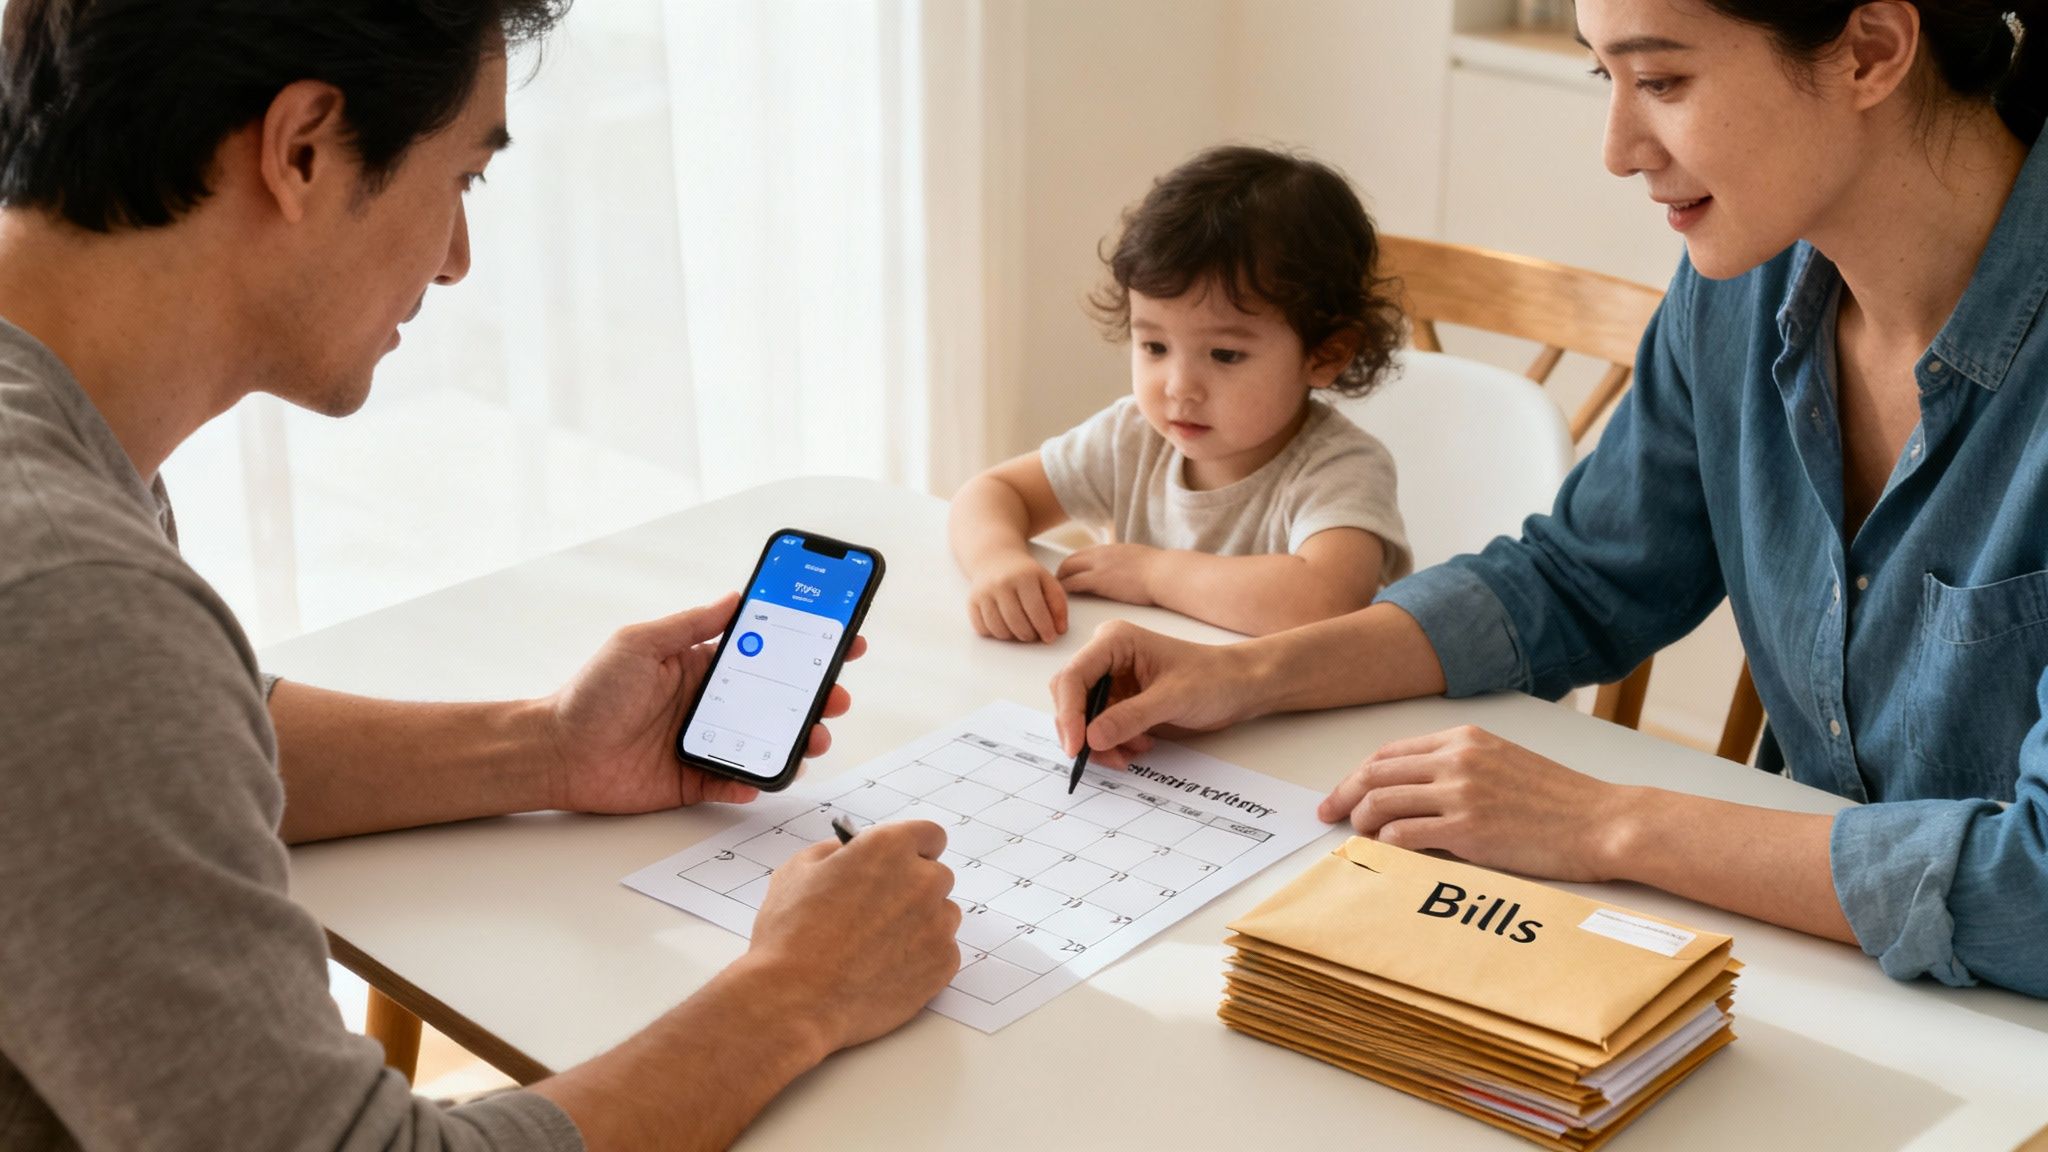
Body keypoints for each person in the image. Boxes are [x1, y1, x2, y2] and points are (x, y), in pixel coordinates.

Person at [0, 3, 958, 1150]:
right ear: (301, 148)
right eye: (462, 177)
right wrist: (799, 992)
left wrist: (549, 745)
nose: (456, 260)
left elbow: (137, 759)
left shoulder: (59, 462)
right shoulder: (67, 594)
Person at [1050, 0, 2048, 999]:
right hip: (1835, 980)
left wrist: (1601, 823)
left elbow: (2035, 888)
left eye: (1660, 81)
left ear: (1870, 52)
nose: (1615, 150)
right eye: (1599, 78)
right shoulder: (1738, 288)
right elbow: (1579, 578)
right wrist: (1253, 676)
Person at [948, 145, 1412, 642]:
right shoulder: (1132, 437)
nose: (1178, 387)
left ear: (1325, 355)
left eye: (1225, 355)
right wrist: (998, 560)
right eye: (1154, 345)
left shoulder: (1342, 469)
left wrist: (1154, 574)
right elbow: (992, 493)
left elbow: (1322, 602)